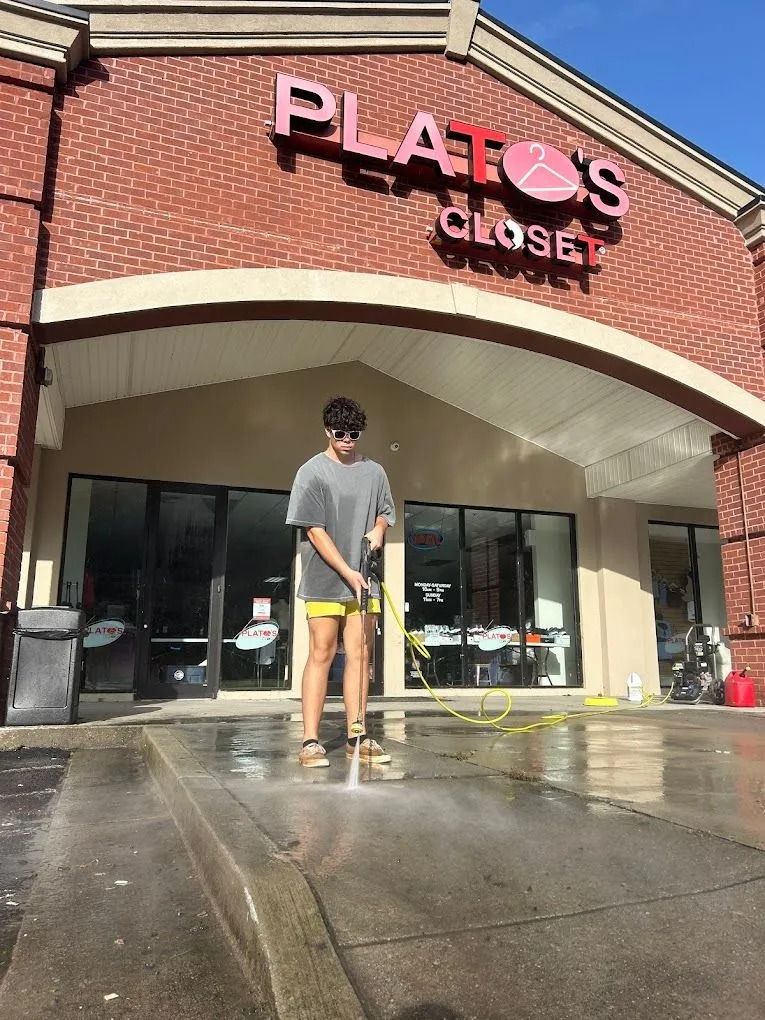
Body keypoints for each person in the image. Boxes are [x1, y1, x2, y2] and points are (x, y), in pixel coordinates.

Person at [286, 395, 395, 768]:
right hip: (326, 578)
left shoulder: (375, 472)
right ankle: (311, 742)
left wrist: (379, 532)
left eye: (355, 432)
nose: (348, 438)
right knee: (322, 652)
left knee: (362, 657)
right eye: (341, 432)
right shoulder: (311, 472)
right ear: (327, 431)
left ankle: (357, 735)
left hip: (366, 579)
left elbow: (384, 513)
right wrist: (347, 571)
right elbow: (315, 531)